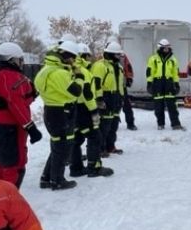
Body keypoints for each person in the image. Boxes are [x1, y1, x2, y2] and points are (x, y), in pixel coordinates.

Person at [0, 42, 42, 188]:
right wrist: (30, 127)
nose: (21, 63)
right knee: (14, 165)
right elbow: (15, 103)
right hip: (11, 126)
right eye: (19, 60)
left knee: (1, 164)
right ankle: (9, 200)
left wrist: (31, 94)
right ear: (11, 60)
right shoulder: (9, 76)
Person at [34, 41, 81, 190]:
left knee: (57, 146)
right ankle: (57, 180)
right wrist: (79, 75)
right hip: (61, 111)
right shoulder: (59, 73)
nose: (74, 61)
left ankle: (47, 177)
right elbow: (76, 91)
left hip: (51, 110)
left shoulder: (46, 70)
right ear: (66, 56)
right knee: (63, 147)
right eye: (72, 58)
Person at [69, 42, 114, 177]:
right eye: (88, 56)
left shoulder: (70, 69)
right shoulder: (83, 72)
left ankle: (75, 168)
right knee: (95, 136)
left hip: (72, 108)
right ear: (83, 55)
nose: (90, 59)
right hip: (84, 108)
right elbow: (87, 94)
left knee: (76, 139)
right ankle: (94, 167)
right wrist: (94, 111)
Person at [92, 41, 125, 156]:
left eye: (119, 55)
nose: (119, 57)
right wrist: (99, 99)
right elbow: (96, 83)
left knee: (114, 124)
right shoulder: (100, 66)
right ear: (110, 54)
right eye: (117, 55)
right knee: (104, 125)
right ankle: (100, 149)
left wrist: (122, 97)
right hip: (106, 97)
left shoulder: (118, 67)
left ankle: (110, 146)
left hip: (115, 97)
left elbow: (120, 84)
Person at [147, 39, 184, 130]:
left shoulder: (173, 59)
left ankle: (175, 124)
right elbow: (150, 72)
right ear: (160, 48)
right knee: (158, 106)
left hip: (169, 83)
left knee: (172, 105)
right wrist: (149, 83)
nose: (167, 49)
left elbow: (175, 73)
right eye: (165, 48)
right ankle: (160, 124)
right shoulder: (153, 59)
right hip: (157, 83)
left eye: (168, 48)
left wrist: (176, 83)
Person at [122, 53, 137, 130]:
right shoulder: (104, 57)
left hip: (121, 86)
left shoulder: (122, 56)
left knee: (127, 106)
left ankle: (130, 124)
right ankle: (108, 124)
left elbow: (128, 67)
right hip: (109, 87)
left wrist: (129, 78)